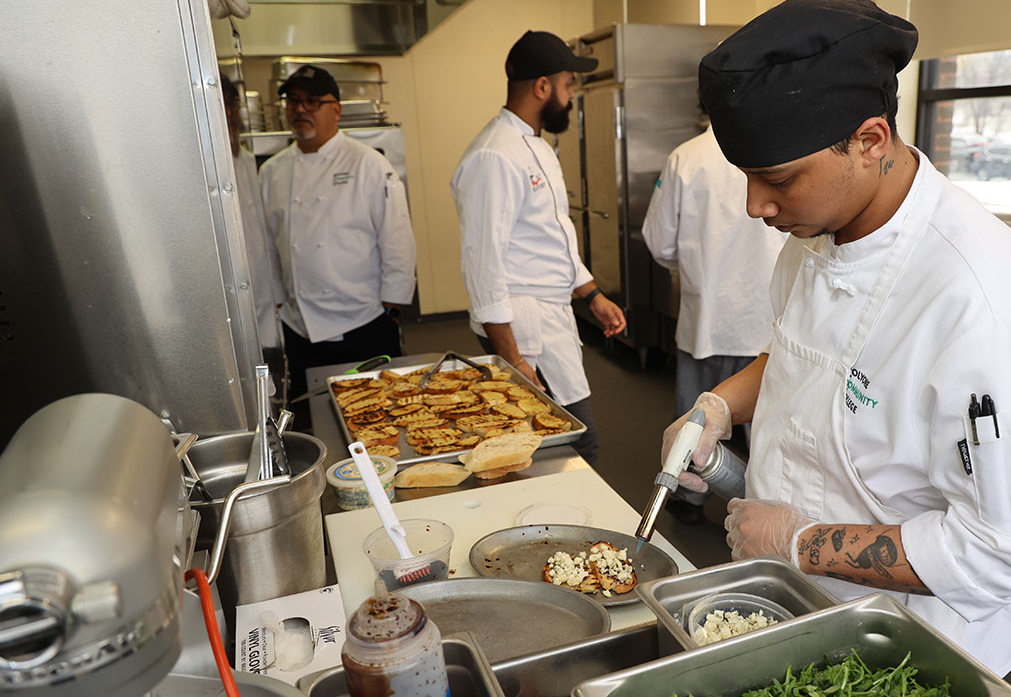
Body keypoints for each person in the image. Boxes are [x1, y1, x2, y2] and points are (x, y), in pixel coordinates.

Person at [661, 0, 1011, 676]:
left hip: (910, 647)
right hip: (793, 605)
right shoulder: (816, 235)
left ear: (869, 140)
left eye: (775, 179)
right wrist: (719, 403)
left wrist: (799, 540)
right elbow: (804, 356)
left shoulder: (982, 304)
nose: (753, 205)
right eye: (744, 177)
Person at [451, 30, 627, 466]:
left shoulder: (536, 145)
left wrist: (591, 294)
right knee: (560, 444)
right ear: (542, 86)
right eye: (568, 85)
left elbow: (553, 234)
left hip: (551, 315)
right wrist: (511, 358)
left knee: (562, 440)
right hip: (524, 327)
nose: (571, 97)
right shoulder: (495, 155)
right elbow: (483, 262)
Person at [642, 109, 787, 524]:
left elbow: (658, 240)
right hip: (768, 321)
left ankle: (688, 502)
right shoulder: (779, 149)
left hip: (706, 318)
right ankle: (765, 513)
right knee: (767, 430)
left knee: (696, 421)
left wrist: (695, 268)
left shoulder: (686, 157)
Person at [260, 65, 416, 423]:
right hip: (300, 328)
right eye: (293, 101)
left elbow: (397, 238)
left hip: (362, 323)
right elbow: (269, 245)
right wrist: (277, 299)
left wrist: (390, 311)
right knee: (315, 419)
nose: (300, 109)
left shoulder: (368, 164)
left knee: (376, 418)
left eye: (312, 101)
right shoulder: (272, 171)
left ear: (336, 109)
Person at [221, 77, 286, 376]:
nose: (226, 115)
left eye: (229, 106)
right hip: (227, 317)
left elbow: (267, 238)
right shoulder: (199, 166)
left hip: (267, 305)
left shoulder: (250, 162)